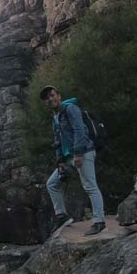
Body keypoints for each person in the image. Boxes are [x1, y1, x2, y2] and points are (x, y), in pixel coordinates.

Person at [40, 85, 105, 236]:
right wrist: (60, 161)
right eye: (47, 98)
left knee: (90, 186)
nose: (50, 99)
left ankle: (99, 221)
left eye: (52, 95)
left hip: (84, 152)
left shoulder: (70, 109)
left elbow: (79, 130)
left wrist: (78, 154)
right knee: (52, 184)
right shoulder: (55, 117)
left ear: (59, 96)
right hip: (68, 158)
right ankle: (62, 217)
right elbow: (58, 141)